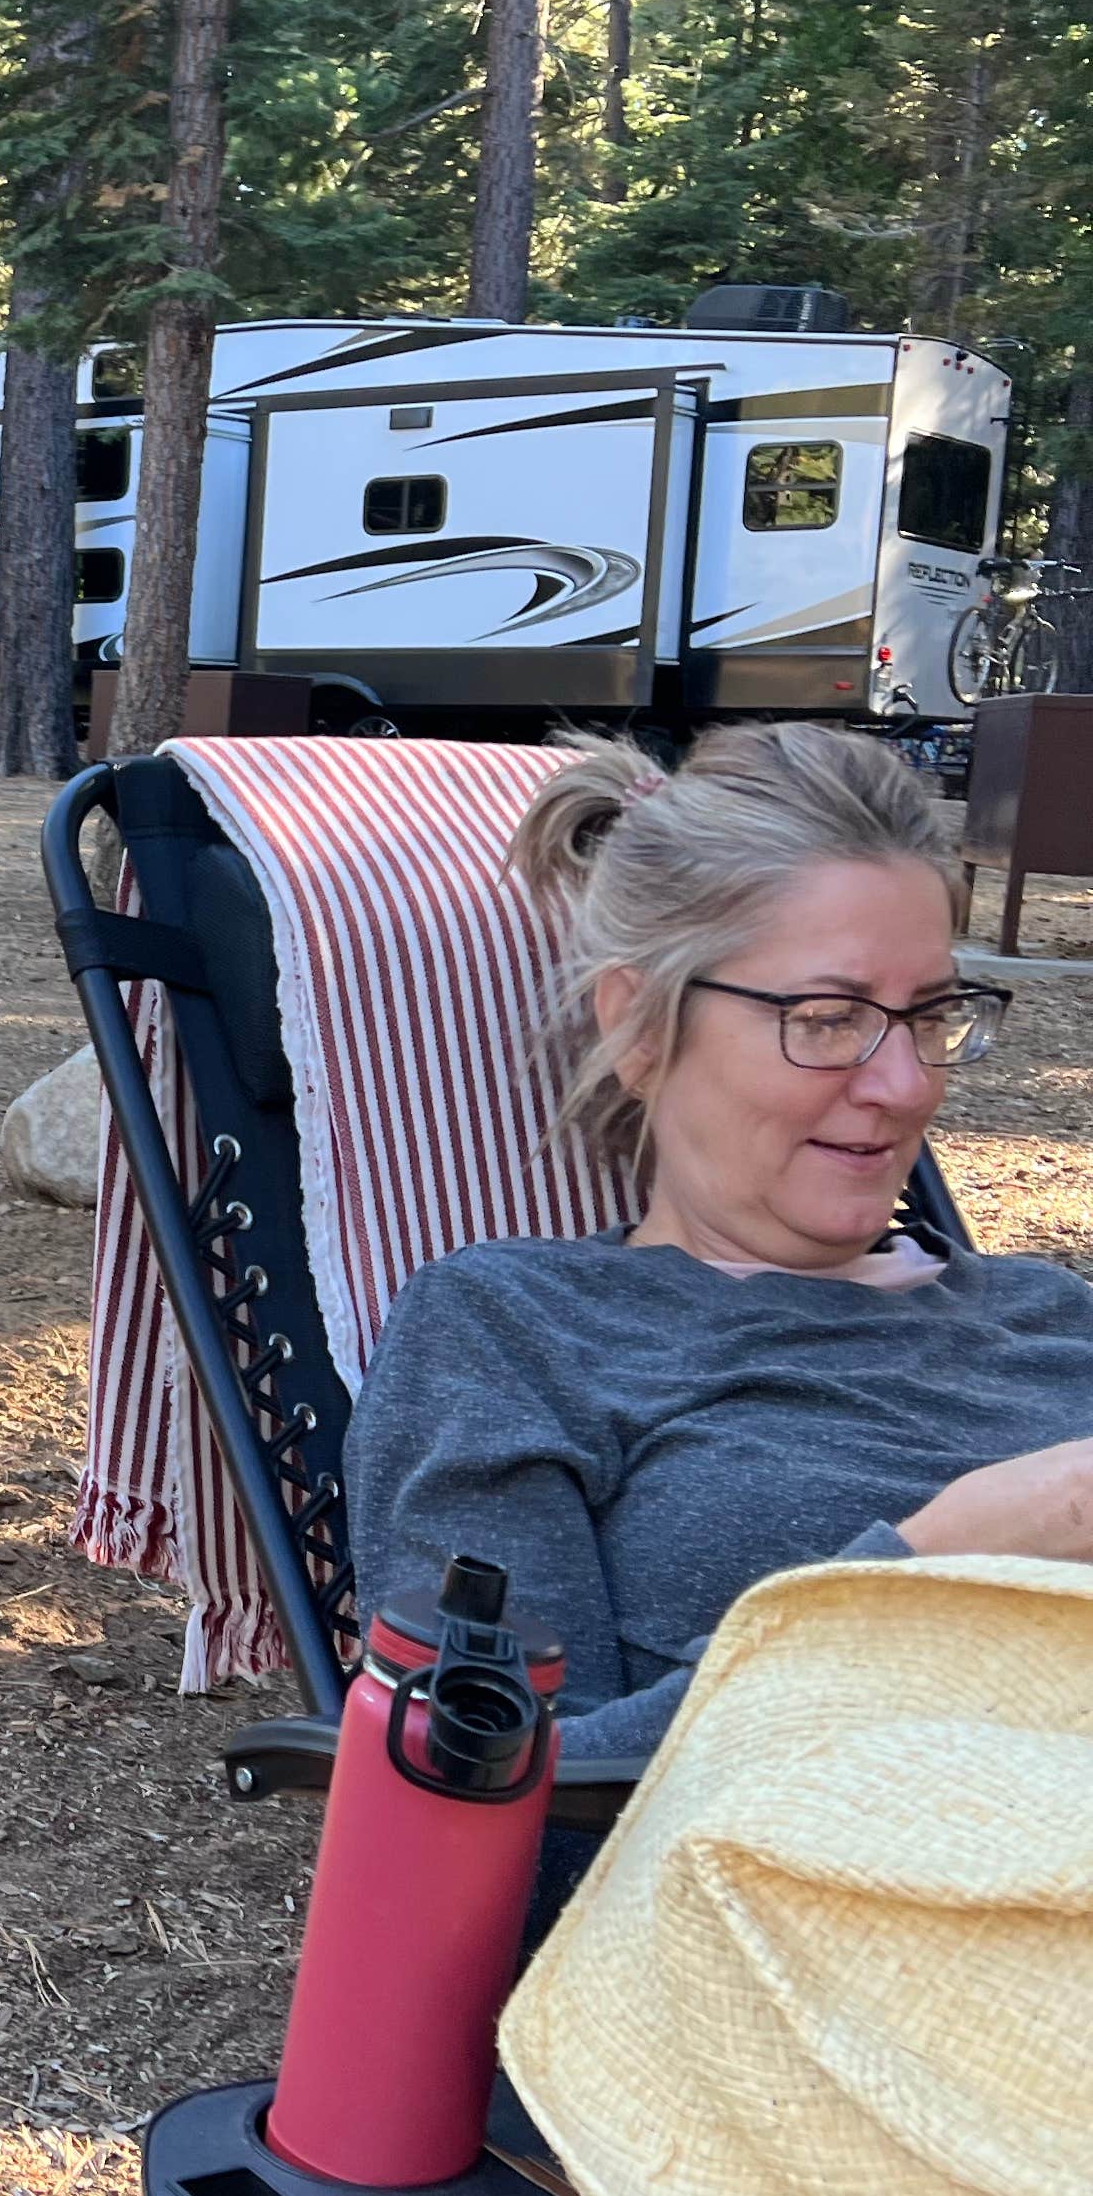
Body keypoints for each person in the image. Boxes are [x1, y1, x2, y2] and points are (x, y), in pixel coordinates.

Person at [344, 719, 1093, 1760]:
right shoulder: (517, 1334)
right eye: (828, 1019)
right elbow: (502, 1813)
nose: (909, 1083)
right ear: (641, 1030)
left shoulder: (1054, 1317)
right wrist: (921, 1579)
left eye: (931, 1015)